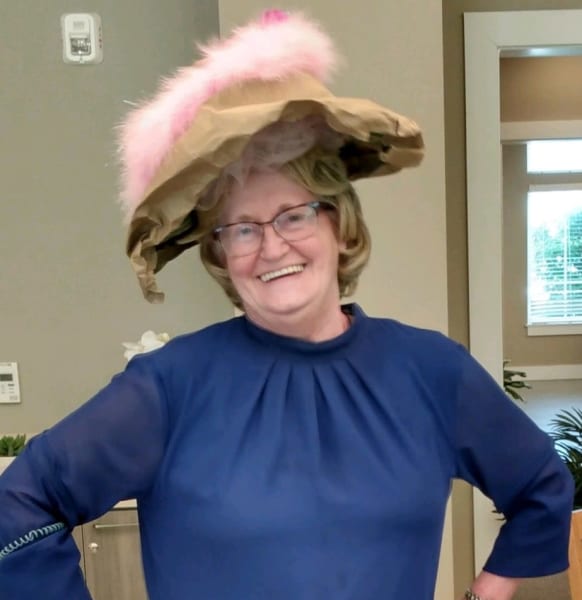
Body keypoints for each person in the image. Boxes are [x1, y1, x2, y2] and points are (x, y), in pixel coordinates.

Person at [0, 10, 574, 600]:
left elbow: (540, 486)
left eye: (293, 214)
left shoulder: (431, 372)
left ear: (341, 227)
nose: (272, 245)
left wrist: (489, 590)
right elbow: (17, 505)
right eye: (242, 229)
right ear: (220, 255)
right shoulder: (170, 388)